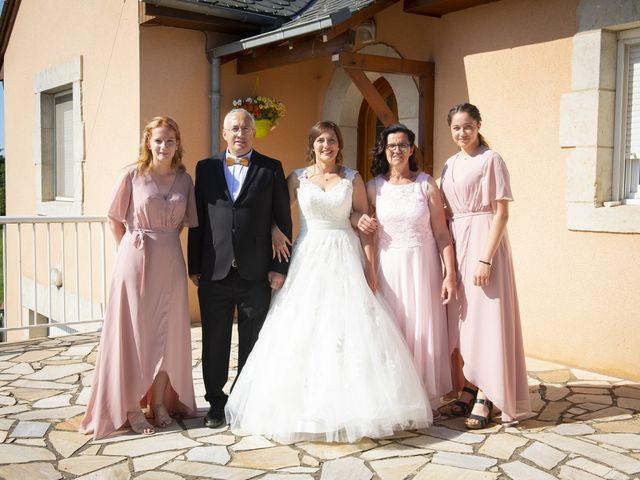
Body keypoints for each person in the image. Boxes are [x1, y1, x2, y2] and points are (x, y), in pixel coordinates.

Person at [225, 121, 432, 443]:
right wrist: (275, 230)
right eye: (320, 140)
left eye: (332, 140)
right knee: (304, 328)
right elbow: (271, 211)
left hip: (345, 256)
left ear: (339, 145)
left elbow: (364, 223)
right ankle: (303, 407)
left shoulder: (352, 178)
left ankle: (357, 407)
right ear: (312, 144)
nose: (326, 145)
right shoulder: (296, 177)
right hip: (308, 255)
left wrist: (370, 268)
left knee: (348, 330)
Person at [80, 116, 197, 439]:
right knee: (134, 335)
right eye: (158, 140)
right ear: (148, 142)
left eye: (170, 140)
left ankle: (159, 403)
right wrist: (128, 250)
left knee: (167, 333)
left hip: (170, 259)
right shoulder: (131, 175)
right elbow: (114, 218)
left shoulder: (185, 180)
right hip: (134, 261)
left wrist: (162, 242)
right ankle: (131, 407)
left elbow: (185, 223)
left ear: (177, 144)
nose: (164, 146)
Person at [187, 108, 292, 429]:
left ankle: (244, 400)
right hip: (214, 271)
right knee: (214, 340)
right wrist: (194, 264)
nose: (240, 133)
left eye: (246, 128)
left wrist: (278, 267)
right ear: (224, 133)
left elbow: (282, 219)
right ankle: (216, 403)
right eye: (234, 128)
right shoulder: (204, 169)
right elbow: (197, 222)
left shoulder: (271, 168)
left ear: (254, 133)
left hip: (256, 272)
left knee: (252, 341)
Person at [439, 103, 532, 429]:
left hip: (483, 244)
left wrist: (485, 258)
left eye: (467, 126)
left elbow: (502, 213)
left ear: (478, 126)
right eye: (455, 128)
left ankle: (488, 396)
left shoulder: (491, 160)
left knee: (488, 321)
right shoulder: (450, 164)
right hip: (459, 244)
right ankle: (470, 386)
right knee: (465, 321)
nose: (461, 133)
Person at [361, 123, 456, 414]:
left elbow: (441, 233)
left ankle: (423, 395)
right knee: (392, 330)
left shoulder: (426, 184)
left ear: (411, 149)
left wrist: (450, 273)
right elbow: (365, 229)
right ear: (384, 150)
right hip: (387, 267)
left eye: (403, 145)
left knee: (421, 328)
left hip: (422, 266)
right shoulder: (373, 186)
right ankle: (394, 395)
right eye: (391, 145)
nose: (397, 150)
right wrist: (369, 269)